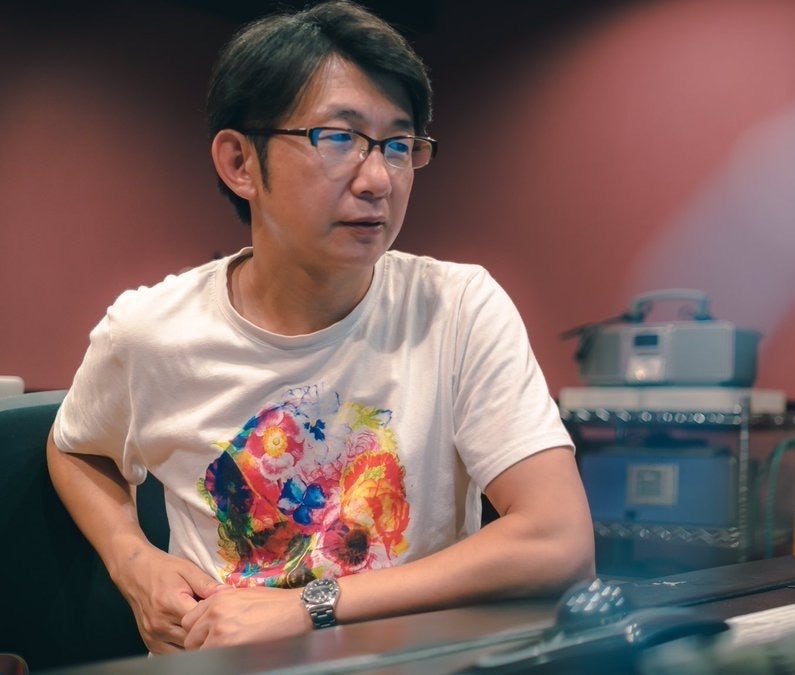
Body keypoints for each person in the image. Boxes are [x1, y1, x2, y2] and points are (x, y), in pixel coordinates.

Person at [45, 0, 594, 654]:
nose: (378, 179)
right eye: (338, 138)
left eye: (399, 145)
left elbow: (558, 539)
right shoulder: (150, 331)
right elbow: (75, 446)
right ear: (240, 163)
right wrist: (132, 560)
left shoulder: (457, 307)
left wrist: (312, 607)